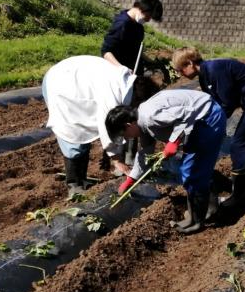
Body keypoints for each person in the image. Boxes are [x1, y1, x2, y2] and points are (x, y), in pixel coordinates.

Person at [106, 88, 226, 234]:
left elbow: (186, 112)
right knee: (191, 170)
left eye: (124, 134)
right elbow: (145, 152)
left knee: (191, 171)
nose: (128, 138)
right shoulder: (142, 124)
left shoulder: (150, 117)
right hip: (200, 120)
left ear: (129, 125)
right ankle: (205, 212)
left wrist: (173, 141)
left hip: (208, 117)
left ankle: (197, 220)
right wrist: (131, 179)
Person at [171, 47, 245, 210]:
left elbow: (227, 104)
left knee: (239, 145)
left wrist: (209, 128)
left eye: (180, 70)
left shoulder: (215, 70)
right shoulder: (205, 76)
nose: (180, 75)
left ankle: (239, 197)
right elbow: (211, 103)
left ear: (190, 63)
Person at [41, 55, 160, 194]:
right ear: (137, 99)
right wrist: (117, 161)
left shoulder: (128, 82)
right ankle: (74, 184)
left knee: (83, 134)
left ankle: (82, 180)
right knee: (74, 134)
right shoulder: (113, 95)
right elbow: (106, 128)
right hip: (60, 84)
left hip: (76, 77)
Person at [101, 0, 163, 74]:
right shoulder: (122, 24)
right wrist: (121, 68)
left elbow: (135, 50)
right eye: (148, 16)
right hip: (117, 72)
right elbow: (106, 52)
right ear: (140, 7)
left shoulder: (138, 27)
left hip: (133, 69)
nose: (148, 20)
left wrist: (151, 62)